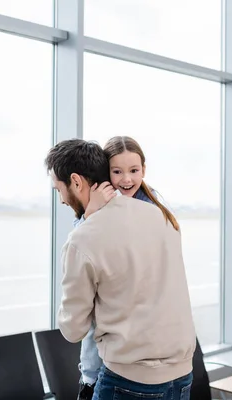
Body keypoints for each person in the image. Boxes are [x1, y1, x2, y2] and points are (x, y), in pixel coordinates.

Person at [45, 138, 196, 400]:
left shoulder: (85, 236)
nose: (60, 199)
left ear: (76, 182)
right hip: (181, 374)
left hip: (129, 379)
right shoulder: (163, 217)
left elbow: (73, 329)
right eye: (118, 171)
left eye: (59, 189)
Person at [74, 136, 180, 399]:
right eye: (117, 171)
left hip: (126, 364)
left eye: (134, 170)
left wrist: (90, 215)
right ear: (106, 173)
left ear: (144, 169)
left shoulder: (151, 208)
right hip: (113, 359)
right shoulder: (107, 207)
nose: (127, 180)